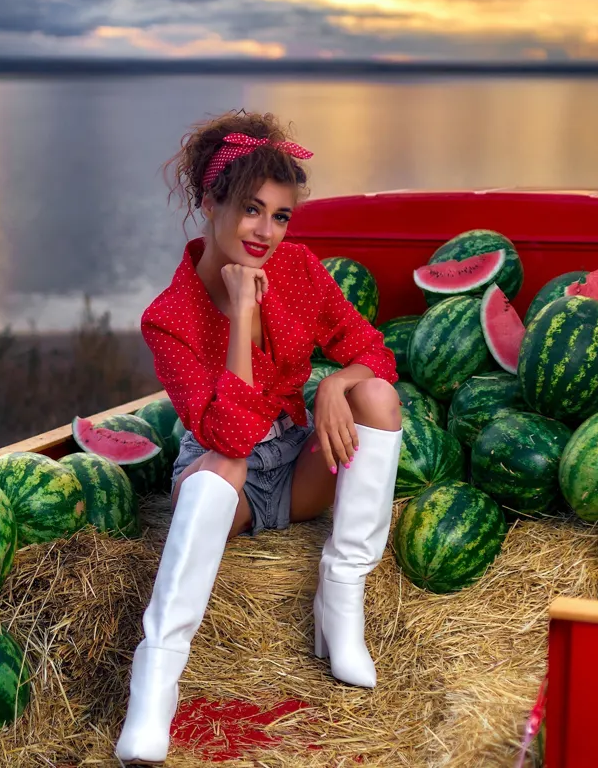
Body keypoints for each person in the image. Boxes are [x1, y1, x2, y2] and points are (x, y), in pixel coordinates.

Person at [115, 110, 404, 763]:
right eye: (252, 210)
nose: (267, 232)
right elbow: (232, 432)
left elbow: (374, 353)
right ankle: (155, 685)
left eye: (281, 216)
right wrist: (243, 313)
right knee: (219, 468)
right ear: (208, 204)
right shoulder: (171, 318)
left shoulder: (299, 270)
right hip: (230, 477)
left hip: (297, 463)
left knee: (377, 398)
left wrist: (334, 385)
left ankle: (342, 600)